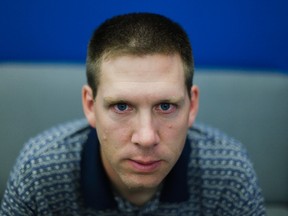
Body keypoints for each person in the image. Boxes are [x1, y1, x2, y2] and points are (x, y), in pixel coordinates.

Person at [0, 12, 265, 215]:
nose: (146, 137)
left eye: (165, 106)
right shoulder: (40, 172)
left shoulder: (229, 174)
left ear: (192, 105)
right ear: (90, 106)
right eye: (122, 106)